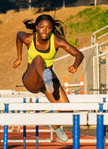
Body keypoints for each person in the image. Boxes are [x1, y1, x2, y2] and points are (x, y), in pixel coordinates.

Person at [13, 14, 84, 142]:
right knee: (38, 59)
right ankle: (46, 78)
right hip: (31, 80)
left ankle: (56, 126)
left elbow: (79, 54)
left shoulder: (56, 41)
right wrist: (19, 57)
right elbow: (18, 35)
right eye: (41, 27)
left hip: (49, 81)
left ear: (52, 29)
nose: (45, 31)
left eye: (48, 28)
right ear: (36, 27)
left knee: (67, 111)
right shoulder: (29, 39)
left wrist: (75, 65)